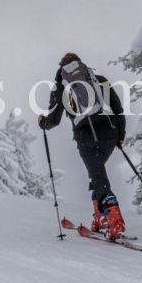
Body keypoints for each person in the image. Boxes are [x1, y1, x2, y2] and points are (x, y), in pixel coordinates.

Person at [38, 53, 128, 239]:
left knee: (97, 175)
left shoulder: (61, 88)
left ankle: (114, 219)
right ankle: (100, 218)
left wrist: (42, 122)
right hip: (109, 134)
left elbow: (53, 121)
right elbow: (118, 109)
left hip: (86, 139)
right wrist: (120, 135)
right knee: (96, 174)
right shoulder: (98, 80)